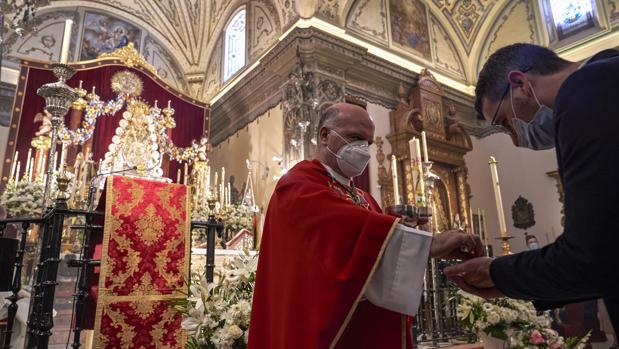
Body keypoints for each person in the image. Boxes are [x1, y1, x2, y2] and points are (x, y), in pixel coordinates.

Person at [248, 103, 483, 349]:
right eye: (355, 138)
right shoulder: (297, 186)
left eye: (368, 142)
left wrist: (425, 245)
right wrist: (430, 244)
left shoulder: (365, 198)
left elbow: (378, 255)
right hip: (322, 330)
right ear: (325, 135)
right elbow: (345, 234)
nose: (362, 149)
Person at [444, 43, 619, 333]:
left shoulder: (586, 92)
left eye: (504, 123)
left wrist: (496, 273)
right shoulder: (608, 72)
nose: (514, 139)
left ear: (520, 84)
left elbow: (592, 256)